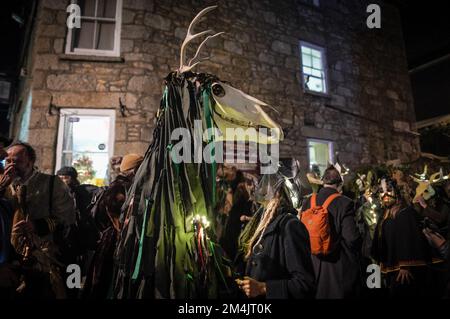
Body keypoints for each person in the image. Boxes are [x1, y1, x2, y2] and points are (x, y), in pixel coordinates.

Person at [3, 142, 76, 299]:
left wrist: (37, 225)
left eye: (16, 161)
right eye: (7, 161)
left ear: (30, 162)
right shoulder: (3, 186)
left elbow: (67, 216)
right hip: (9, 262)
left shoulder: (51, 183)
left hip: (43, 259)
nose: (11, 166)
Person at [237, 168, 316, 299]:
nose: (262, 187)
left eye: (268, 183)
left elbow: (305, 283)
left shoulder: (290, 225)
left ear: (279, 192)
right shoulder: (265, 222)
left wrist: (263, 288)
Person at [83, 153, 143, 299]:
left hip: (113, 241)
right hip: (114, 242)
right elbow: (117, 218)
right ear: (134, 170)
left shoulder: (120, 186)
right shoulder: (121, 188)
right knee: (109, 280)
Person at [300, 165, 361, 299]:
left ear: (323, 182)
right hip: (337, 267)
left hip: (313, 264)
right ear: (340, 184)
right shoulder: (345, 203)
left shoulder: (307, 202)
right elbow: (351, 238)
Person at [371, 178, 434, 297]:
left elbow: (409, 238)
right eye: (381, 191)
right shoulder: (385, 214)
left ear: (397, 192)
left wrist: (405, 265)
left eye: (389, 190)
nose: (385, 194)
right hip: (392, 267)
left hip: (406, 270)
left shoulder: (406, 212)